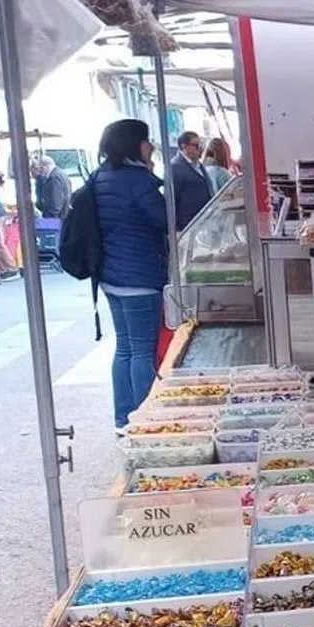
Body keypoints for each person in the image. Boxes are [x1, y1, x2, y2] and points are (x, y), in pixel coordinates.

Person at [93, 118, 169, 431]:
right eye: (146, 140)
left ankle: (123, 418)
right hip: (140, 276)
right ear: (134, 144)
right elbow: (165, 219)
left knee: (124, 347)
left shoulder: (101, 175)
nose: (151, 146)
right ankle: (145, 419)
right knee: (142, 351)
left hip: (111, 276)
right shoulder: (138, 181)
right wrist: (151, 176)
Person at [169, 130, 211, 231]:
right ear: (184, 146)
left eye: (200, 145)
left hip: (204, 221)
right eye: (196, 145)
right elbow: (173, 198)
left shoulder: (198, 165)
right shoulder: (175, 167)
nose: (199, 149)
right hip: (188, 224)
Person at [31, 153, 72, 220]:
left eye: (40, 168)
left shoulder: (54, 178)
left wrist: (49, 218)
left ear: (45, 167)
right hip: (62, 217)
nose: (40, 171)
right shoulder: (61, 173)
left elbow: (55, 203)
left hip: (56, 219)